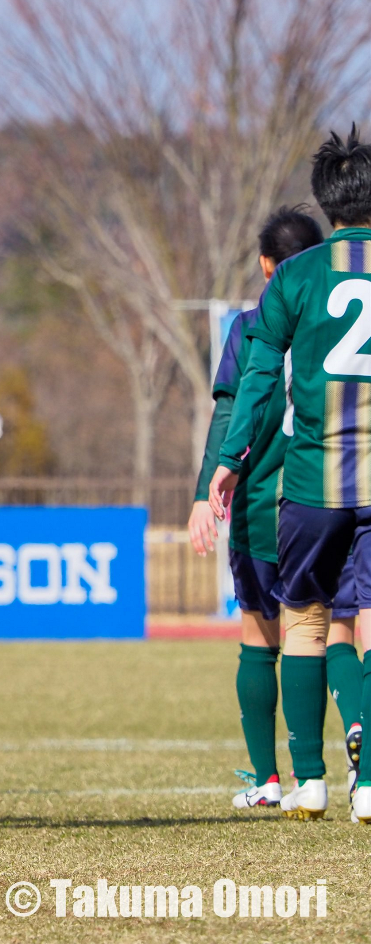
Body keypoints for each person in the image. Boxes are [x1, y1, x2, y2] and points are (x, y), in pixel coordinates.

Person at [211, 126, 371, 822]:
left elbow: (255, 378)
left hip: (310, 482)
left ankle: (309, 779)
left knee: (303, 619)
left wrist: (226, 460)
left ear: (325, 203)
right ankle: (369, 786)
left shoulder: (296, 276)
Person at [187, 207, 328, 811]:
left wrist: (203, 493)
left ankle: (271, 781)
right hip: (333, 496)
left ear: (267, 265)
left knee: (259, 635)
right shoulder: (338, 315)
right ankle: (346, 757)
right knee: (336, 630)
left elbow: (228, 416)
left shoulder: (250, 327)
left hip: (263, 507)